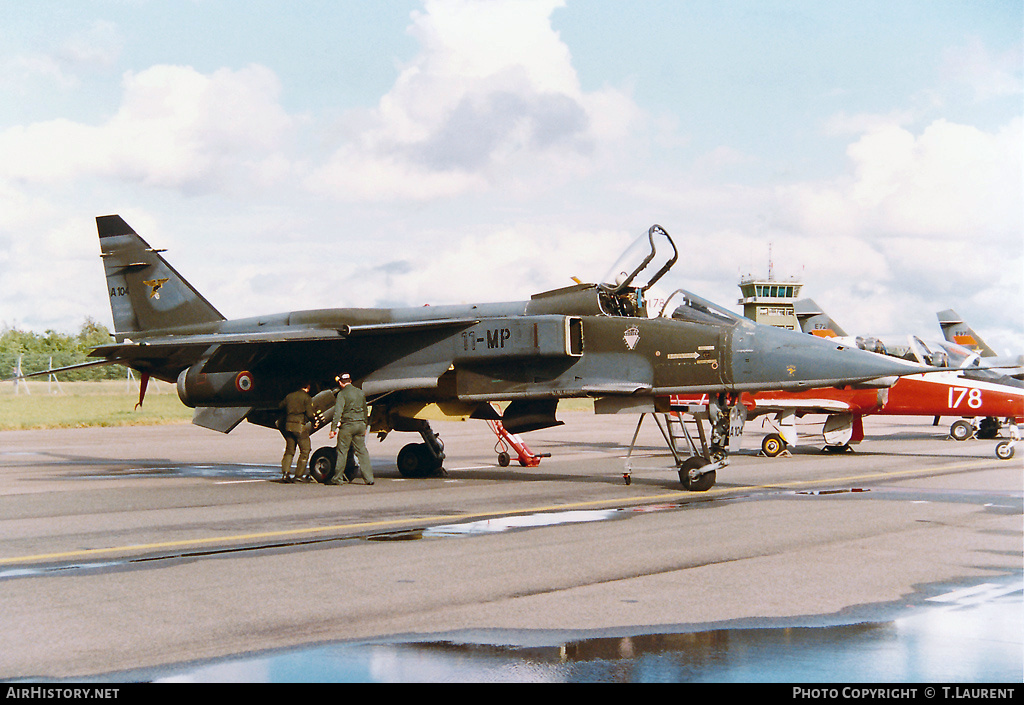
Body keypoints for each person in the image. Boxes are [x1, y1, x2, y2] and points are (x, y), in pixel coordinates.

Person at [328, 373, 374, 485]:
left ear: (340, 382)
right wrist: (365, 424)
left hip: (347, 426)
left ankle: (337, 478)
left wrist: (333, 428)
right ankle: (369, 479)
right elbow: (364, 409)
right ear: (350, 380)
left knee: (342, 451)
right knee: (362, 451)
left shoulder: (342, 394)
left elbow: (338, 412)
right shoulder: (360, 392)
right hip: (360, 425)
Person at [278, 382, 316, 483]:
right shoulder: (306, 397)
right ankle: (299, 474)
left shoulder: (289, 396)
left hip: (288, 425)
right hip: (299, 426)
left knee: (290, 450)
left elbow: (280, 406)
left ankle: (285, 473)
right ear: (308, 387)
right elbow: (309, 414)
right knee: (305, 450)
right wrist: (314, 421)